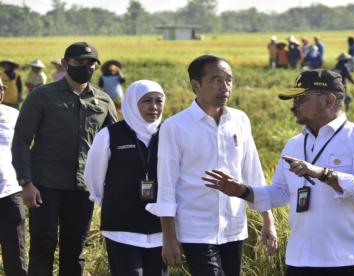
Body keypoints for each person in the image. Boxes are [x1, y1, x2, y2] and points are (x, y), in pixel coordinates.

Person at [203, 69, 354, 276]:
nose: (294, 105)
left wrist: (323, 174)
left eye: (301, 98)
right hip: (301, 260)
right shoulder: (294, 144)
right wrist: (243, 191)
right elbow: (281, 192)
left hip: (350, 260)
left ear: (329, 100)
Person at [146, 55, 277, 276]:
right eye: (216, 80)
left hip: (234, 227)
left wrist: (268, 220)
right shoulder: (175, 127)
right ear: (195, 86)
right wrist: (169, 238)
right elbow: (166, 184)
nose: (224, 86)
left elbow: (253, 171)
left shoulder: (240, 120)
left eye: (229, 80)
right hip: (195, 228)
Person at [11, 41, 117, 276]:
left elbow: (115, 144)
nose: (86, 67)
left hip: (82, 187)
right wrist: (26, 183)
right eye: (80, 62)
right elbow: (21, 140)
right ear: (65, 63)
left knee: (74, 249)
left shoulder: (103, 100)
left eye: (91, 63)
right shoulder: (42, 96)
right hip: (44, 185)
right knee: (43, 244)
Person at [84, 80, 167, 276]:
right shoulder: (110, 134)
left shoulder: (170, 133)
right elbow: (93, 175)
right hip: (122, 227)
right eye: (146, 101)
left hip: (160, 229)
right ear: (131, 103)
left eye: (159, 101)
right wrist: (107, 200)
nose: (154, 107)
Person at [0, 77, 27, 276]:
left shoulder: (13, 115)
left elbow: (24, 149)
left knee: (16, 255)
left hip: (10, 191)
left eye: (0, 89)